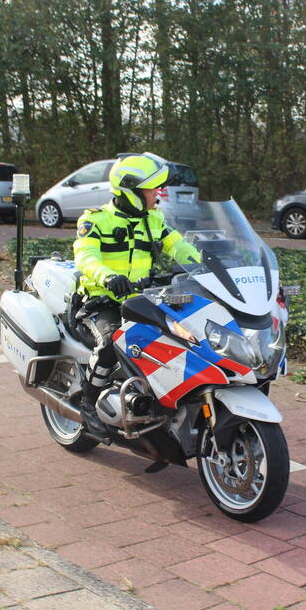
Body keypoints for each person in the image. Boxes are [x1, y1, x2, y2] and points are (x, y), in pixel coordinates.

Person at [72, 154, 199, 435]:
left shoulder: (153, 220)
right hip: (100, 301)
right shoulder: (96, 220)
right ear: (130, 191)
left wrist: (202, 263)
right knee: (111, 342)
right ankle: (88, 403)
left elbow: (178, 246)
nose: (158, 194)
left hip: (141, 300)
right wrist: (108, 277)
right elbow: (85, 257)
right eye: (152, 189)